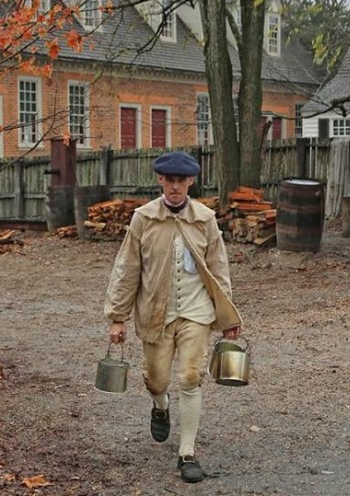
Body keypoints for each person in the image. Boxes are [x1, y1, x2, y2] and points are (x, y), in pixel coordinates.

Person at [104, 150, 242, 484]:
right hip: (156, 312)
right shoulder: (143, 218)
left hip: (195, 312)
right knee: (157, 379)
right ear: (160, 181)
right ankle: (160, 406)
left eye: (182, 181)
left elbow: (219, 269)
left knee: (191, 376)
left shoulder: (205, 219)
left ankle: (187, 453)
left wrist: (226, 316)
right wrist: (117, 316)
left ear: (191, 181)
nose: (176, 187)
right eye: (170, 181)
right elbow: (127, 269)